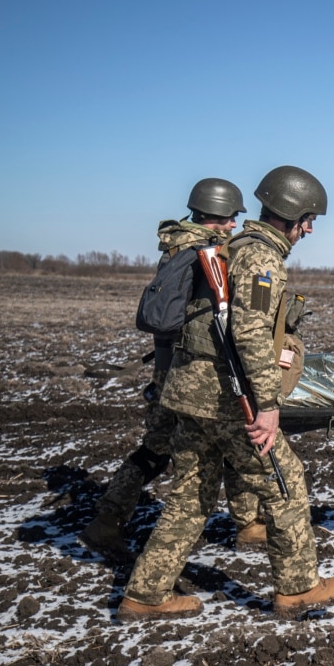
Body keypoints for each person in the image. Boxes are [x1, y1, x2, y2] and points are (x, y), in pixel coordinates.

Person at [116, 165, 334, 621]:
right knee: (286, 484)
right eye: (308, 219)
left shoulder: (229, 246)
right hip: (228, 400)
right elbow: (251, 335)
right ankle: (299, 588)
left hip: (187, 392)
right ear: (290, 215)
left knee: (190, 497)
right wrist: (267, 406)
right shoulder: (261, 258)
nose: (310, 228)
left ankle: (145, 594)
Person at [80, 178, 266, 564]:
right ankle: (107, 521)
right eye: (231, 218)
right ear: (215, 216)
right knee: (211, 444)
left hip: (169, 368)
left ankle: (245, 523)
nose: (234, 225)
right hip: (191, 374)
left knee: (163, 449)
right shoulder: (207, 253)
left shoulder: (174, 246)